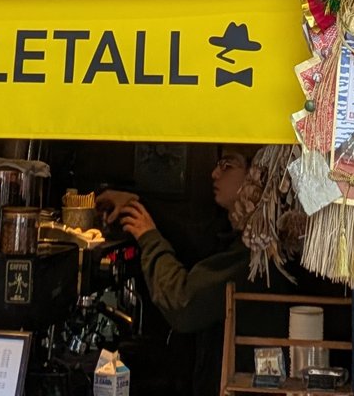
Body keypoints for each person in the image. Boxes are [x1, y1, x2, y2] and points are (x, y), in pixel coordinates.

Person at [97, 149, 256, 396]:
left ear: (257, 175)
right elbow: (193, 237)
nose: (215, 174)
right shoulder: (234, 236)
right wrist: (136, 203)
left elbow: (183, 301)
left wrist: (149, 237)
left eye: (228, 165)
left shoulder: (253, 254)